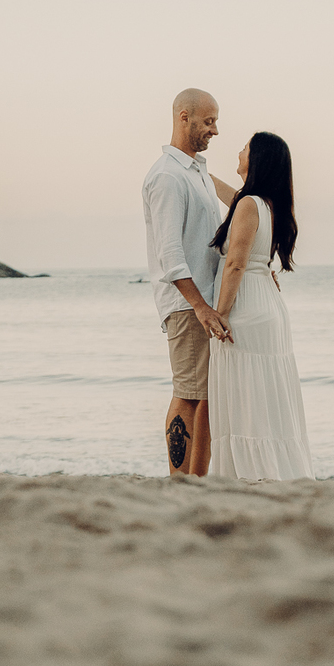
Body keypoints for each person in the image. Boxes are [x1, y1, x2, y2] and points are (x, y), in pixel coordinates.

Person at [142, 90, 238, 476]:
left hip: (204, 303)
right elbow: (170, 254)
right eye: (208, 121)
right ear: (184, 117)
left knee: (206, 397)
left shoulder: (195, 172)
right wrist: (199, 306)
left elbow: (236, 208)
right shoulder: (166, 177)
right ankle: (179, 482)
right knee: (188, 395)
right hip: (186, 306)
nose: (215, 130)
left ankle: (196, 481)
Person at [208, 132, 314, 481]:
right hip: (268, 303)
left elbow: (235, 263)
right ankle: (276, 470)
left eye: (245, 148)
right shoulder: (266, 204)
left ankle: (252, 473)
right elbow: (229, 196)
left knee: (247, 397)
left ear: (257, 160)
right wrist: (198, 173)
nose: (239, 151)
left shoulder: (249, 204)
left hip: (247, 306)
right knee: (266, 396)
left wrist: (219, 312)